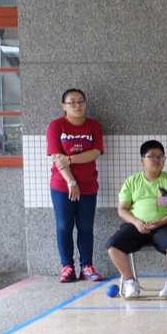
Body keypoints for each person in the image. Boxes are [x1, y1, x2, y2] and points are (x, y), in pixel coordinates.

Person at [105, 140, 167, 300]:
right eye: (152, 157)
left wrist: (160, 222)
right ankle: (130, 282)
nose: (157, 160)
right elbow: (122, 209)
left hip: (164, 226)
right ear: (142, 160)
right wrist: (137, 223)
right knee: (112, 246)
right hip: (136, 226)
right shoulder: (132, 182)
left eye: (160, 157)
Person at [47, 88, 104, 283]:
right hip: (62, 186)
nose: (77, 105)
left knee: (86, 227)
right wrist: (71, 181)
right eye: (72, 102)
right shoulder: (56, 126)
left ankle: (87, 267)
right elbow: (57, 158)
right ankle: (67, 267)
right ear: (64, 106)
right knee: (64, 226)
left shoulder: (94, 126)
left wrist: (69, 159)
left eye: (80, 101)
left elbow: (95, 152)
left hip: (88, 186)